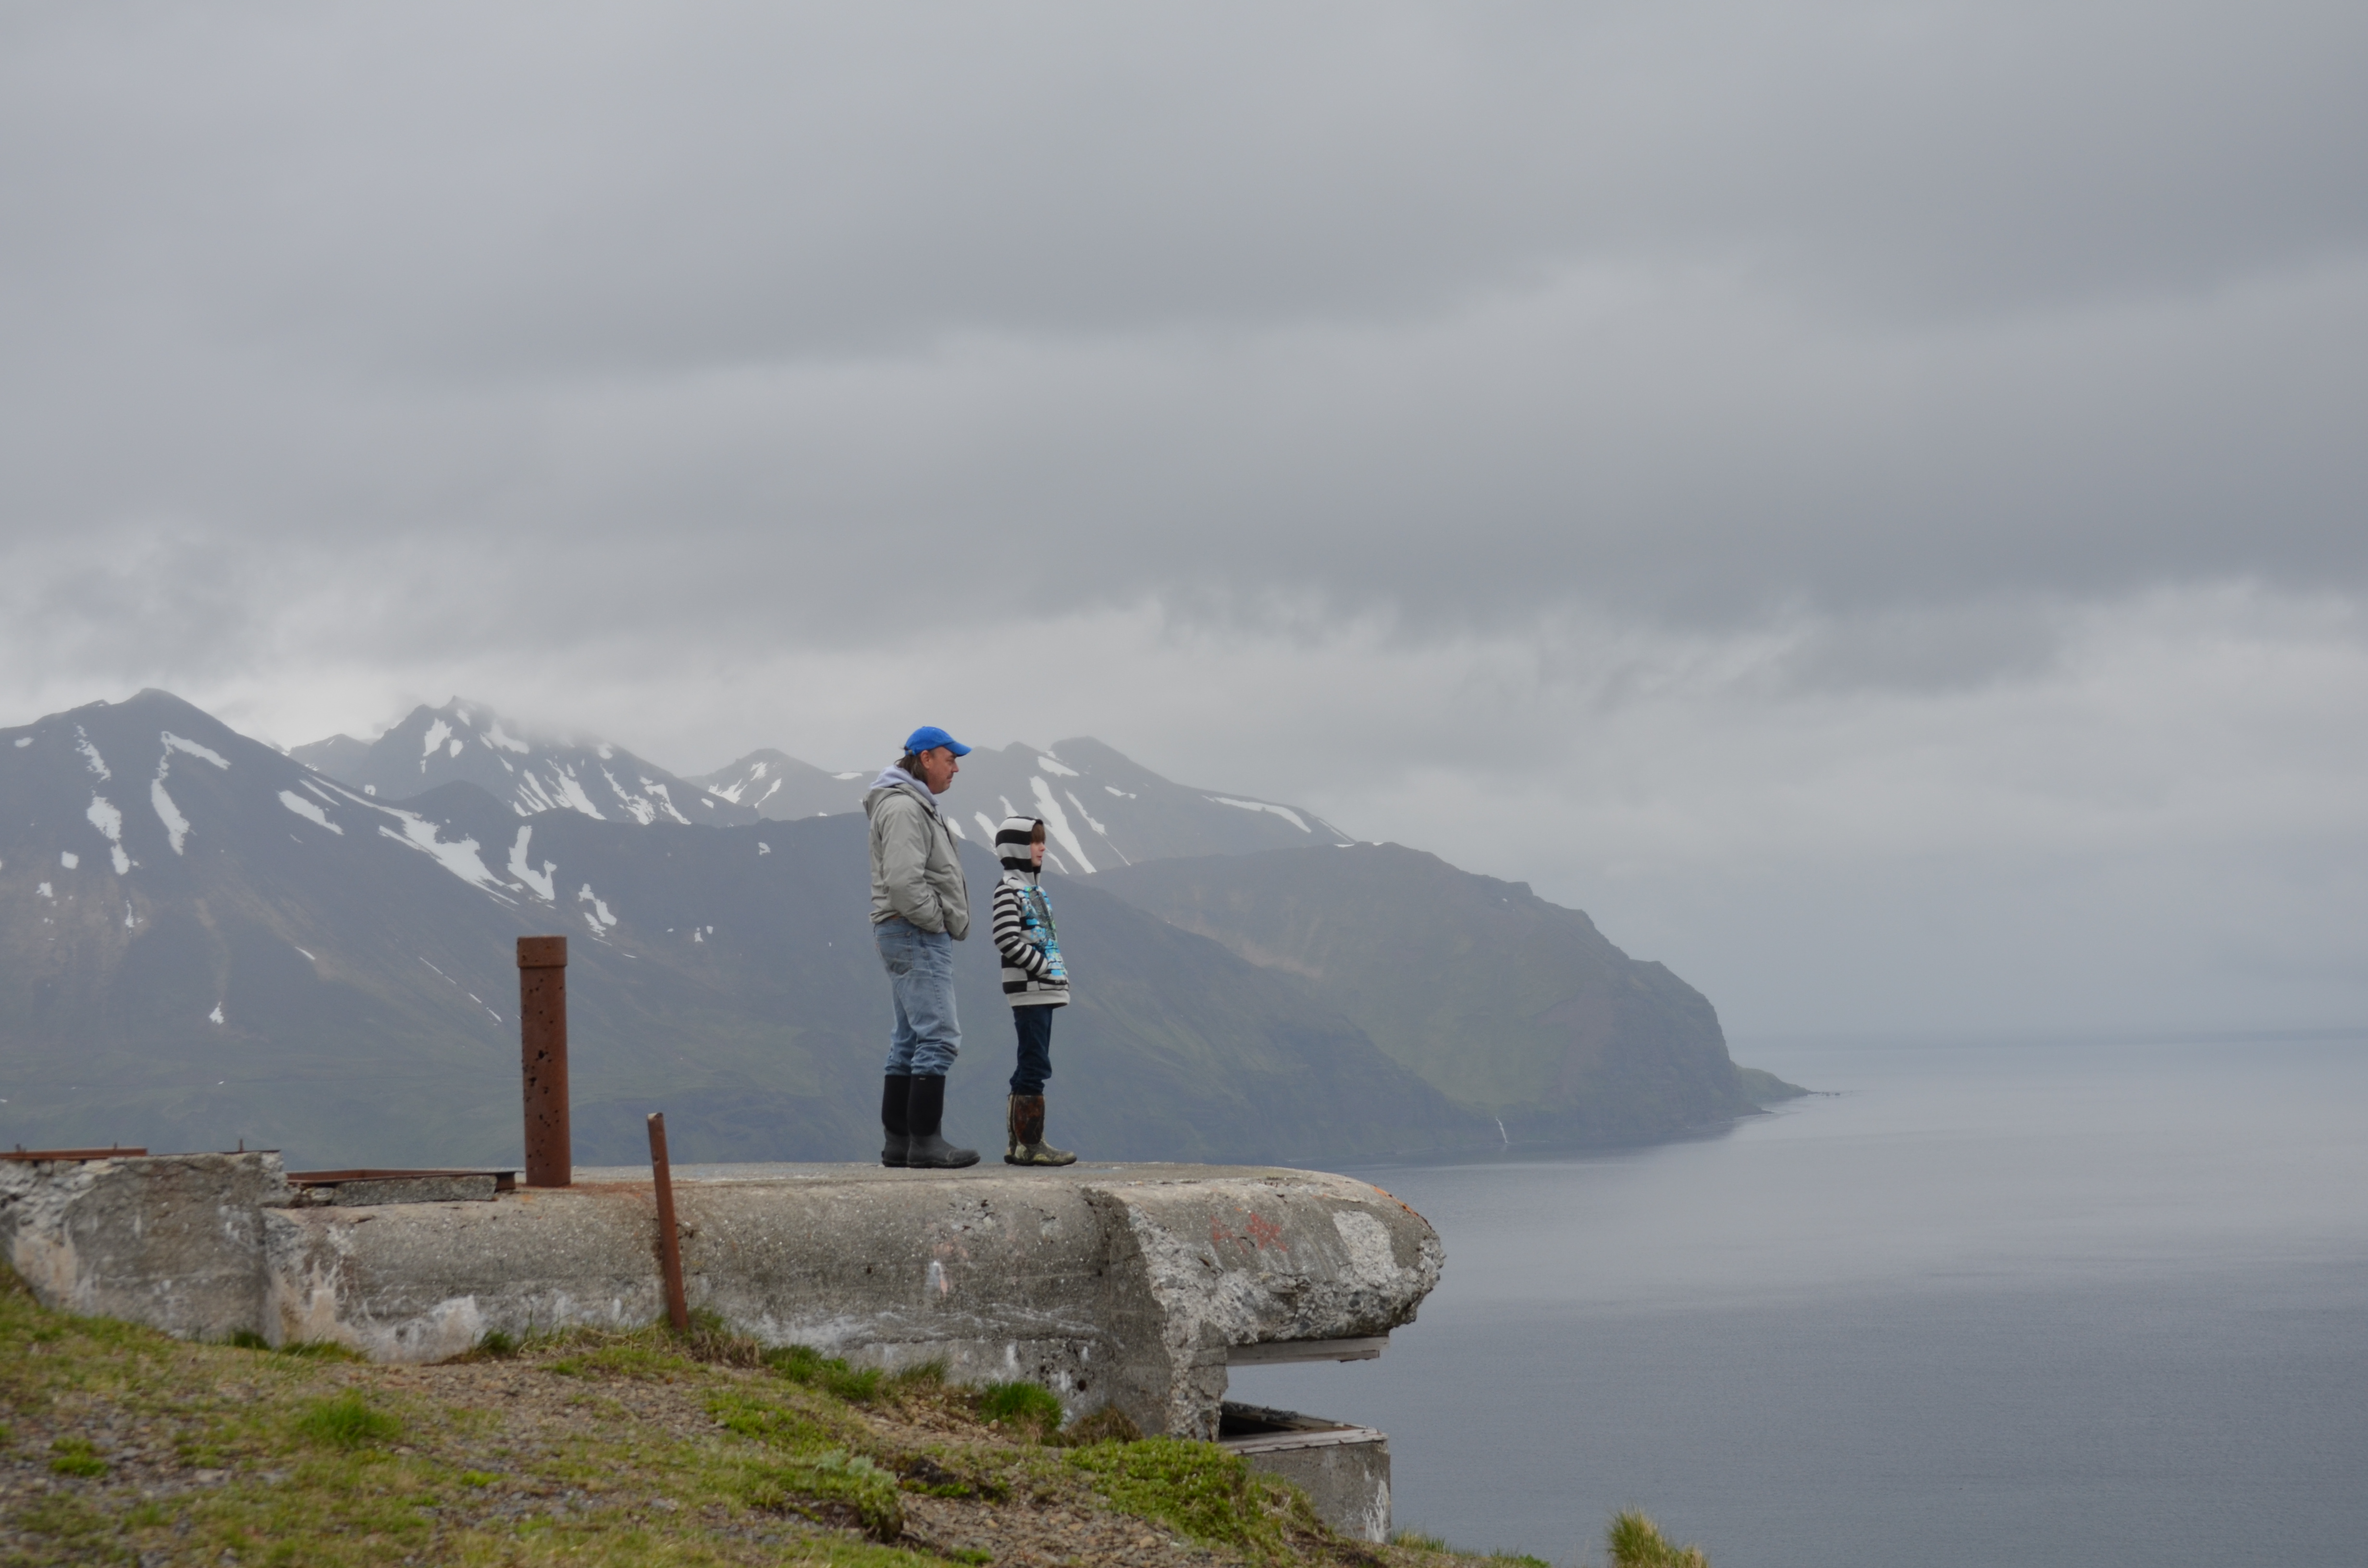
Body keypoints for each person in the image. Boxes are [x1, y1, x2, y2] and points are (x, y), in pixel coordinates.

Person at [864, 725, 977, 1169]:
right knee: (940, 1036)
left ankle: (900, 1141)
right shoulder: (906, 809)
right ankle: (926, 1143)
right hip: (914, 931)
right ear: (926, 759)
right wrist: (938, 921)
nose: (956, 769)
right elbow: (904, 881)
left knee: (909, 1037)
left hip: (899, 930)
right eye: (951, 760)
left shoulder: (904, 804)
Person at [991, 816, 1078, 1166]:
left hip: (1042, 990)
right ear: (1017, 848)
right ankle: (1031, 1144)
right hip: (1031, 990)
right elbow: (1006, 938)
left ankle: (1019, 1144)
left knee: (1029, 1062)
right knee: (1035, 1064)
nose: (1043, 848)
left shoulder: (1034, 891)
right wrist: (1044, 969)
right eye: (1035, 841)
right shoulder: (1009, 891)